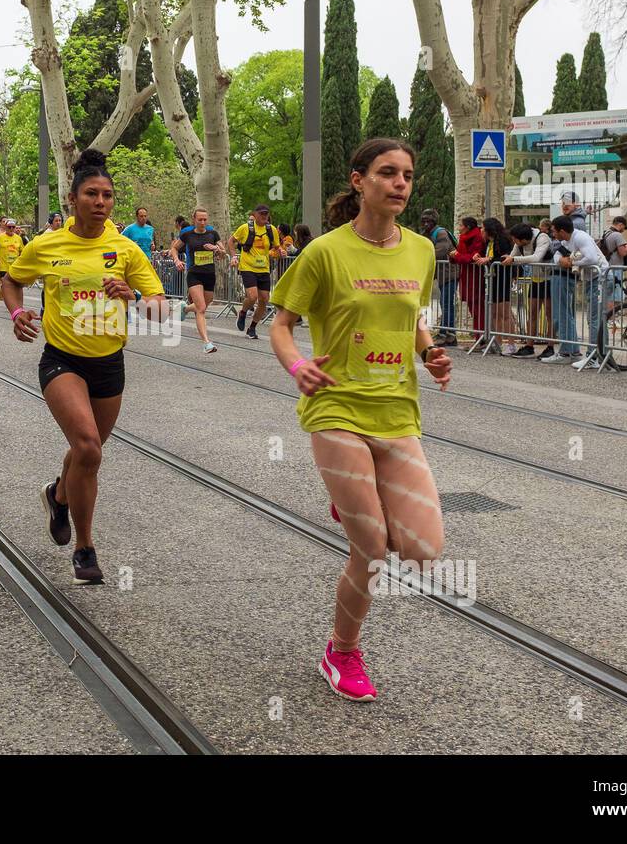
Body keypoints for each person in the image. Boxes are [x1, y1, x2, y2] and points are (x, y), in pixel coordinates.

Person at [268, 137, 451, 702]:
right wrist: (298, 365)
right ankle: (342, 652)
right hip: (336, 406)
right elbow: (282, 324)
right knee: (371, 546)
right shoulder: (324, 252)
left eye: (407, 176)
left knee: (423, 550)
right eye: (387, 173)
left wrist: (429, 351)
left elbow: (411, 313)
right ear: (358, 181)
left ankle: (356, 501)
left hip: (396, 409)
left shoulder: (420, 250)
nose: (400, 183)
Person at [2, 149, 166, 585]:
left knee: (85, 454)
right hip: (62, 360)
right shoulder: (46, 245)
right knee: (89, 446)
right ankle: (84, 548)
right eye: (91, 194)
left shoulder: (126, 249)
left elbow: (161, 311)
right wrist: (17, 314)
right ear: (72, 199)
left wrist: (132, 296)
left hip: (109, 363)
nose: (101, 201)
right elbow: (12, 281)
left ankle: (57, 496)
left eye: (108, 195)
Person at [549, 214, 608, 370]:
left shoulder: (581, 237)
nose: (553, 235)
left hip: (600, 278)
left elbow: (592, 259)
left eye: (554, 231)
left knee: (594, 319)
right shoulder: (566, 241)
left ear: (562, 230)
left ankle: (594, 356)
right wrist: (561, 261)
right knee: (594, 319)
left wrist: (572, 262)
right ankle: (600, 354)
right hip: (591, 279)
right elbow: (556, 255)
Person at [170, 207, 225, 353]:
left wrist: (216, 249)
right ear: (194, 219)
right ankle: (207, 343)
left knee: (205, 304)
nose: (202, 222)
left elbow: (223, 253)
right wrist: (177, 261)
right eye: (200, 219)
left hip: (209, 274)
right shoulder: (187, 234)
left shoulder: (213, 233)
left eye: (205, 219)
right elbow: (174, 248)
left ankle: (185, 308)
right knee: (201, 309)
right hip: (194, 274)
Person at [228, 204, 283, 340]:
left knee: (264, 299)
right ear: (255, 214)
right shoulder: (245, 228)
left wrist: (280, 251)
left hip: (264, 268)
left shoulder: (271, 230)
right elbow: (231, 241)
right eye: (262, 214)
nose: (264, 216)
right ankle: (243, 312)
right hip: (248, 267)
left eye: (266, 214)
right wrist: (234, 256)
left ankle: (252, 327)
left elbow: (276, 247)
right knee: (252, 297)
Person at [500, 221, 551, 358]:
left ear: (524, 239)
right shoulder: (519, 241)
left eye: (516, 240)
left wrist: (513, 259)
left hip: (549, 278)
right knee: (532, 313)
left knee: (549, 314)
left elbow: (536, 257)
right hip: (535, 278)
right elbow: (512, 256)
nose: (514, 242)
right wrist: (508, 259)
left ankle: (550, 347)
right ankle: (529, 346)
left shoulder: (542, 238)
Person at [473, 217, 520, 355]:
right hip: (492, 279)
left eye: (483, 228)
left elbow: (504, 257)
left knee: (504, 312)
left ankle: (511, 344)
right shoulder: (489, 242)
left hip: (502, 278)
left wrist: (488, 259)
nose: (481, 230)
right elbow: (487, 255)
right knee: (494, 313)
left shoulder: (503, 240)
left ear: (489, 229)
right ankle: (498, 342)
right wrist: (479, 256)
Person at [419, 211, 458, 346]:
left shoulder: (440, 233)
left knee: (446, 304)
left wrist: (421, 258)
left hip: (449, 273)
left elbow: (440, 251)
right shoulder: (427, 234)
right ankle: (450, 335)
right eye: (423, 221)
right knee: (445, 303)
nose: (425, 223)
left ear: (434, 221)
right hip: (442, 274)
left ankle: (445, 334)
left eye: (428, 221)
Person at [450, 216, 486, 340]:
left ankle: (481, 337)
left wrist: (457, 256)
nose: (459, 228)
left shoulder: (476, 237)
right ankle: (478, 336)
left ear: (467, 227)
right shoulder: (464, 238)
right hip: (466, 275)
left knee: (478, 308)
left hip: (475, 276)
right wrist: (454, 256)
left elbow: (472, 257)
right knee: (473, 307)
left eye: (461, 225)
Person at [0, 218, 23, 306]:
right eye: (9, 227)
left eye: (13, 227)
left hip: (14, 266)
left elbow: (22, 252)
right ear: (6, 227)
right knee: (5, 283)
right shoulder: (0, 237)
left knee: (13, 284)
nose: (11, 229)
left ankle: (3, 295)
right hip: (3, 265)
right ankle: (8, 300)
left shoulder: (18, 238)